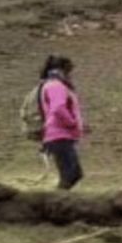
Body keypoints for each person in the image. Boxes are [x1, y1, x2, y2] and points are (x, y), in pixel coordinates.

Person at [40, 55, 86, 190]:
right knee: (72, 174)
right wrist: (72, 123)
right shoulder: (56, 85)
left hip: (60, 135)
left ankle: (59, 199)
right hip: (59, 135)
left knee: (72, 174)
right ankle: (57, 201)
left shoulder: (52, 84)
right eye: (69, 71)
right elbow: (58, 108)